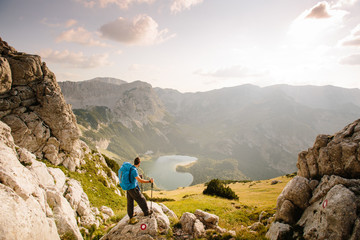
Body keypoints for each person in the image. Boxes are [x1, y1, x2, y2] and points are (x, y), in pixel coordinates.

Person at [119, 157, 154, 224]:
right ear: (139, 163)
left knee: (130, 202)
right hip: (133, 188)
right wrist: (149, 181)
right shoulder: (134, 170)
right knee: (142, 199)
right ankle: (147, 212)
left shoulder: (131, 168)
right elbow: (140, 181)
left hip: (128, 188)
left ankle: (131, 215)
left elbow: (132, 177)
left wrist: (138, 176)